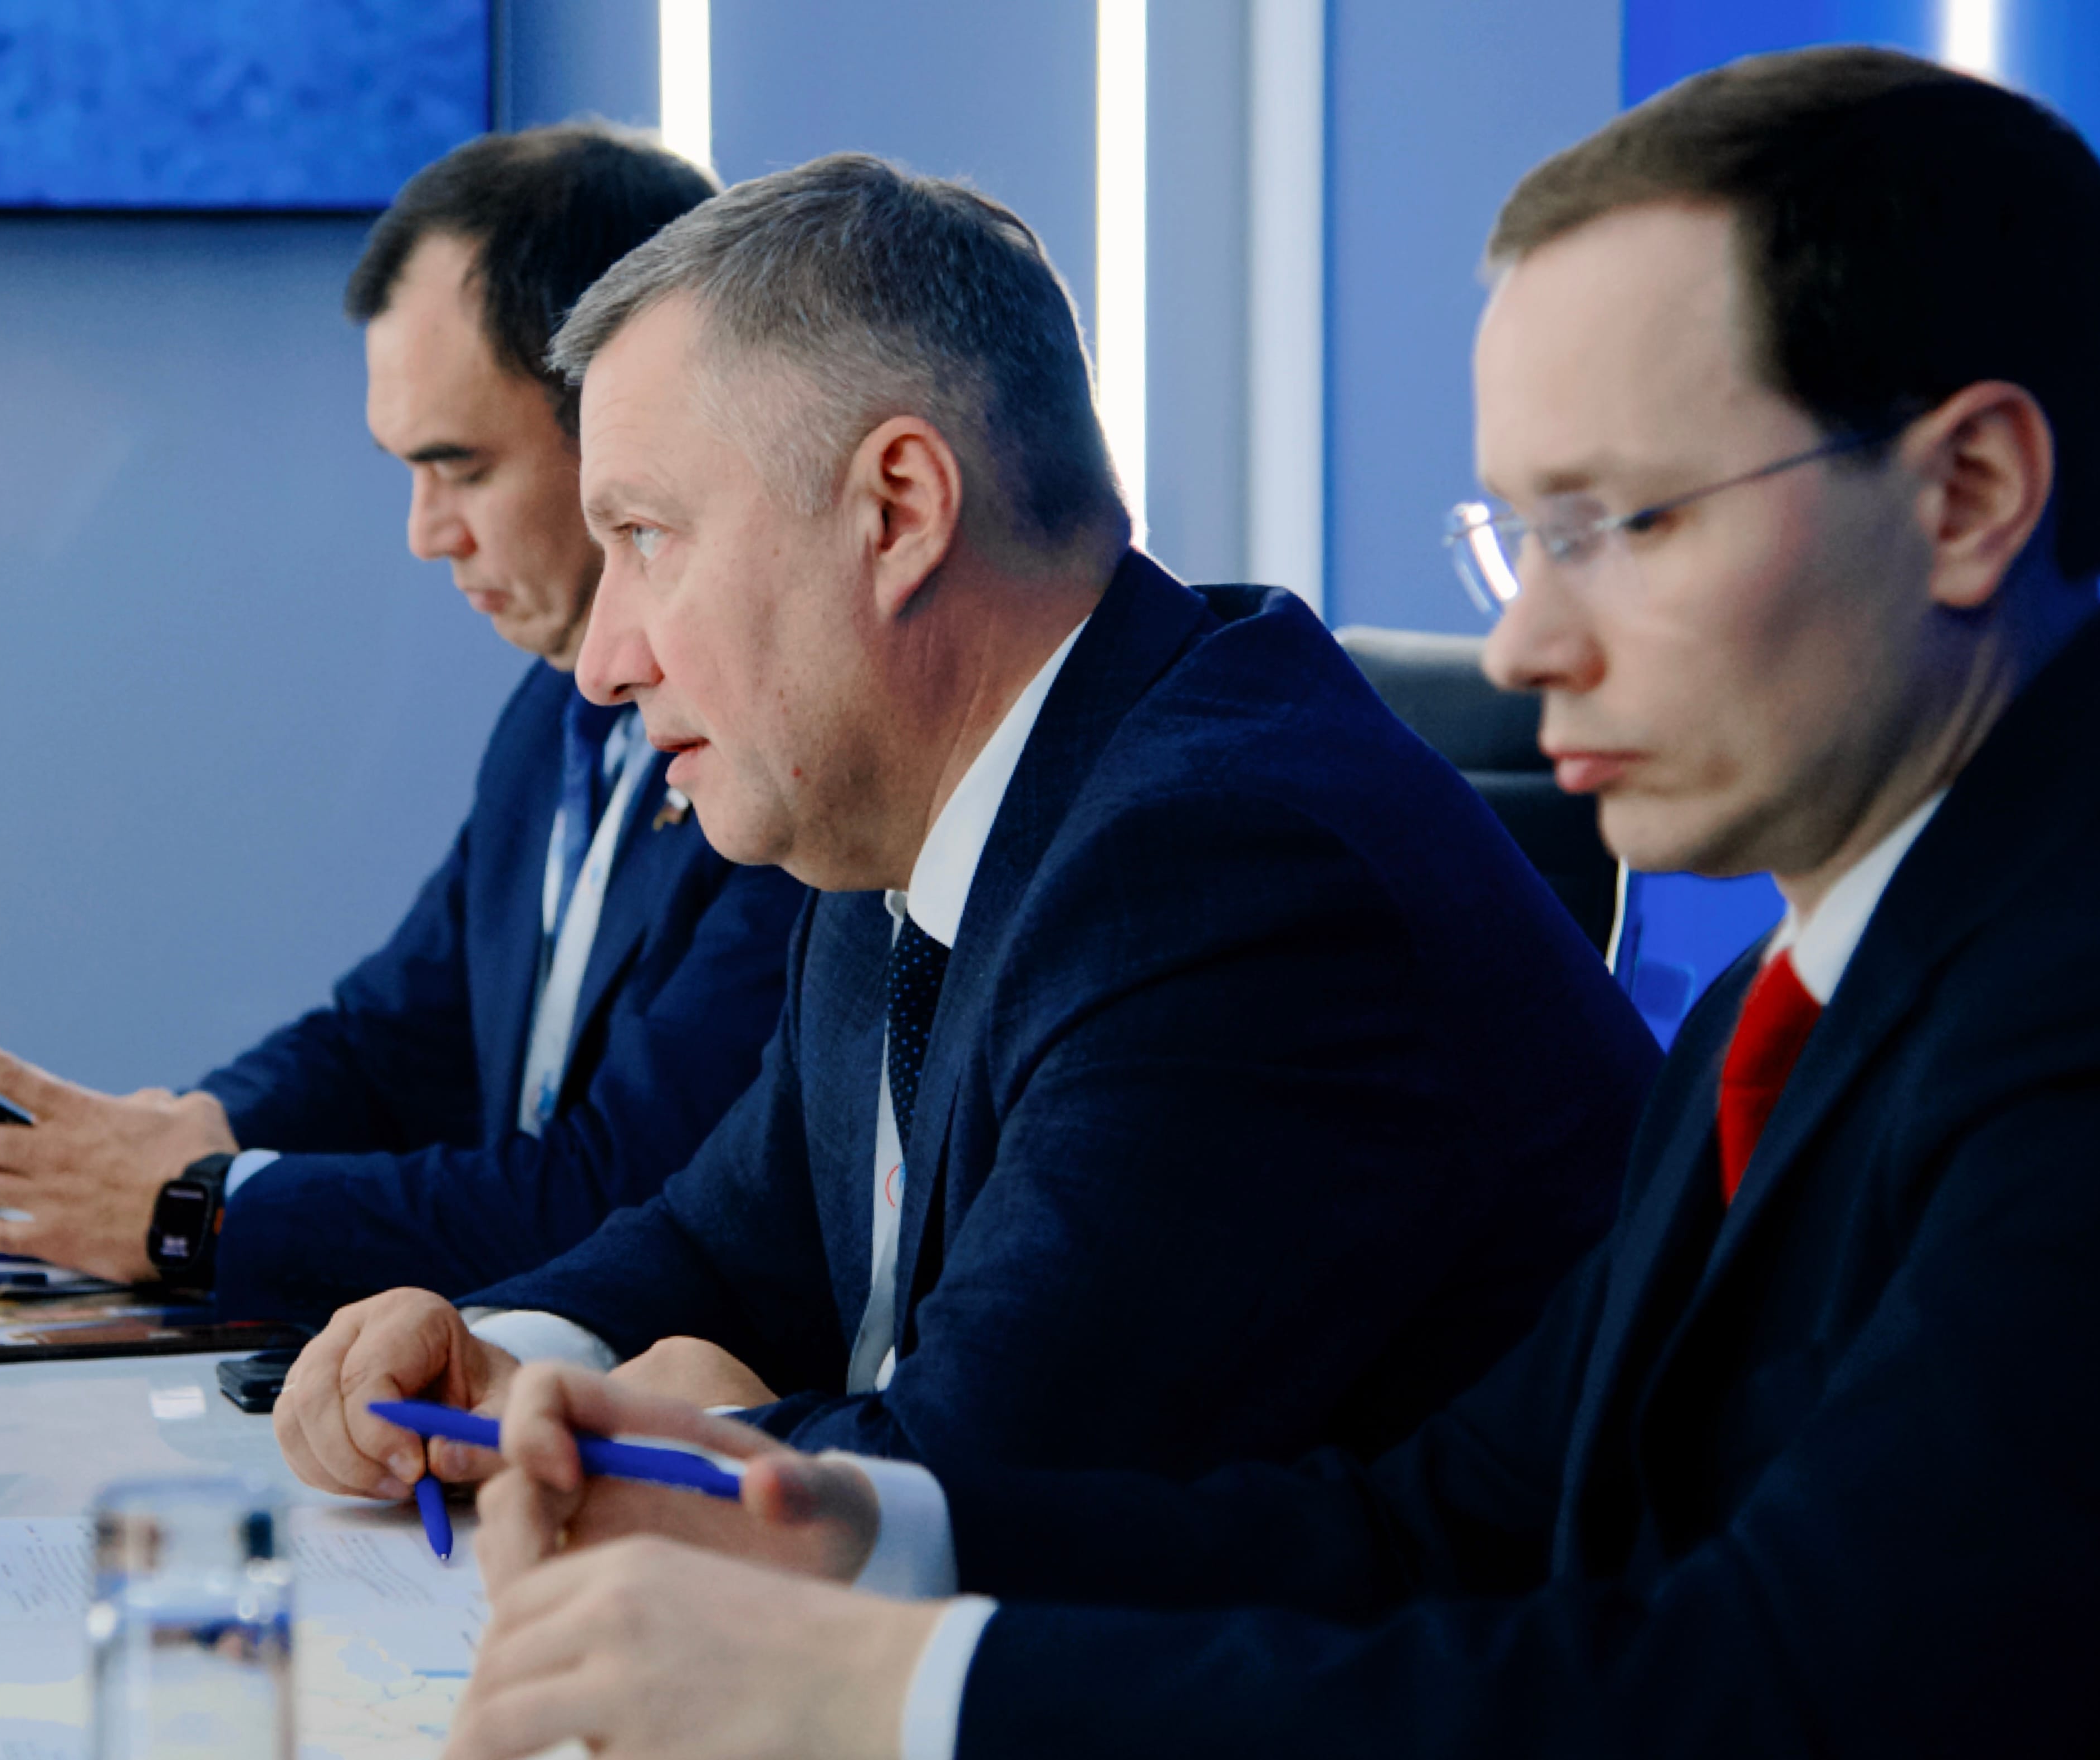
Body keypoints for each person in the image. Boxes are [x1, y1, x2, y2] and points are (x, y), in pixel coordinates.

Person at [442, 47, 2100, 1760]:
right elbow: (1453, 1522)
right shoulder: (1798, 991)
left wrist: (882, 1686)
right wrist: (852, 1532)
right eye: (1521, 538)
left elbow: (1763, 1698)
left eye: (1627, 522)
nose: (1529, 645)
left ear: (1970, 495)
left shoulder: (2068, 1011)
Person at [271, 154, 1656, 1503]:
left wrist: (662, 1432)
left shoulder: (1218, 868)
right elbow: (726, 1246)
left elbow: (990, 1484)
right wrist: (503, 1356)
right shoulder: (893, 816)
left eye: (645, 536)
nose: (602, 663)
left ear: (897, 511)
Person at [0, 124, 808, 1321]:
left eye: (463, 468)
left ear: (621, 424)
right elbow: (392, 1041)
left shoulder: (784, 748)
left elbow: (625, 1193)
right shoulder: (552, 716)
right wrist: (188, 1137)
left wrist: (198, 1209)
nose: (426, 533)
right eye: (409, 471)